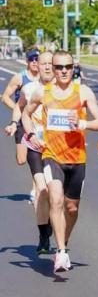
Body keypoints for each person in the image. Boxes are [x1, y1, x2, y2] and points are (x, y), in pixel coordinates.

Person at [22, 50, 98, 273]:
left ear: (73, 68)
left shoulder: (83, 92)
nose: (62, 71)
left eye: (67, 67)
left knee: (71, 208)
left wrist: (81, 123)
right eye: (58, 67)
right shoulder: (43, 92)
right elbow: (25, 114)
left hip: (77, 158)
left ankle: (64, 242)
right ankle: (60, 251)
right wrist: (30, 135)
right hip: (52, 155)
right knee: (56, 199)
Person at [4, 51, 54, 253]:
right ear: (36, 66)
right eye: (43, 63)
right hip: (35, 143)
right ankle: (44, 235)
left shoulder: (67, 90)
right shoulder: (29, 87)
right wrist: (14, 124)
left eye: (52, 63)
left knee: (57, 194)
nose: (48, 67)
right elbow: (19, 106)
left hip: (58, 148)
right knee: (42, 189)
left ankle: (53, 222)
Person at [2, 48, 40, 166]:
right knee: (21, 160)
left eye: (37, 59)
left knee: (39, 156)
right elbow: (5, 97)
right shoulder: (19, 77)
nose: (35, 62)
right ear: (27, 61)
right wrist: (18, 109)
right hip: (22, 121)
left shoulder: (45, 78)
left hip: (38, 121)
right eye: (31, 59)